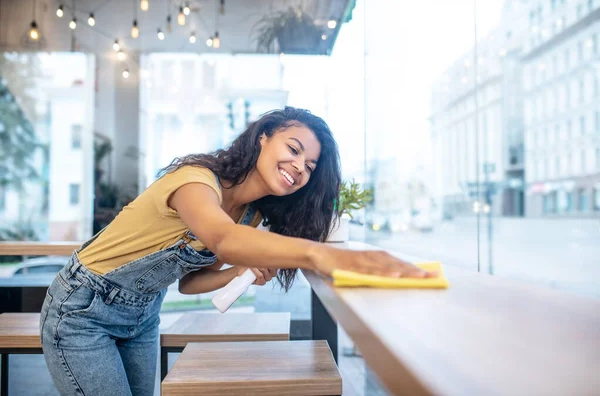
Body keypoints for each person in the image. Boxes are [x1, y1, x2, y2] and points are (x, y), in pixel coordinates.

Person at [40, 106, 436, 395]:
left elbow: (189, 284)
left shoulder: (250, 217)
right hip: (81, 311)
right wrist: (325, 255)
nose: (300, 167)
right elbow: (223, 240)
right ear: (263, 136)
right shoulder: (196, 182)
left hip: (142, 316)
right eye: (294, 149)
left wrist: (236, 273)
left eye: (311, 166)